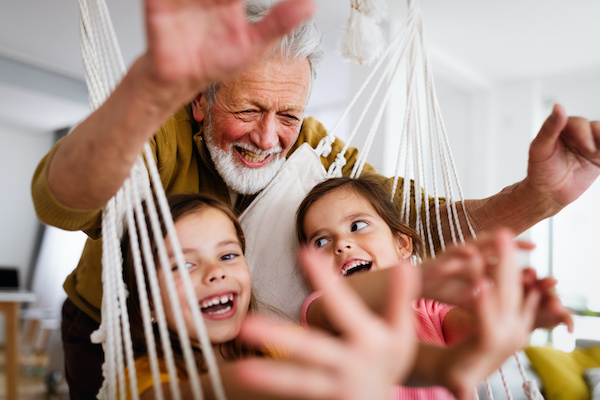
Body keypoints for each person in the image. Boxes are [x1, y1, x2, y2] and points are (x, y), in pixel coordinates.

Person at [30, 0, 599, 397]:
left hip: (240, 335)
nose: (268, 136)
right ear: (201, 102)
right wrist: (140, 98)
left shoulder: (309, 147)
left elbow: (411, 221)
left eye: (288, 116)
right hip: (125, 325)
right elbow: (61, 203)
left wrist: (539, 197)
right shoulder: (158, 129)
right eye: (248, 110)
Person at [294, 176, 574, 399]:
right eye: (321, 242)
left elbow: (471, 330)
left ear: (403, 244)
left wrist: (518, 311)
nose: (341, 244)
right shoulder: (319, 306)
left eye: (357, 225)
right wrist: (419, 277)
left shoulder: (430, 307)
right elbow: (337, 306)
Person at [121, 192, 421, 399]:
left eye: (227, 256)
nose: (215, 272)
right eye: (185, 264)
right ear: (149, 303)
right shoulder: (145, 377)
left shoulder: (276, 344)